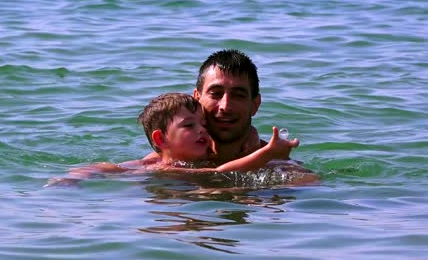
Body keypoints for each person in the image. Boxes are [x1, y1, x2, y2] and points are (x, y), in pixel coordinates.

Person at [45, 93, 317, 186]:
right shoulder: (156, 166)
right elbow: (221, 172)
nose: (203, 130)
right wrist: (76, 176)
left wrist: (254, 137)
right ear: (161, 139)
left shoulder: (191, 157)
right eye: (190, 125)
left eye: (202, 124)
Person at [143, 49, 299, 164]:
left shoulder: (278, 167)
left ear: (255, 105)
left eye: (239, 95)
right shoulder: (164, 161)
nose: (225, 106)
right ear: (197, 99)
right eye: (215, 93)